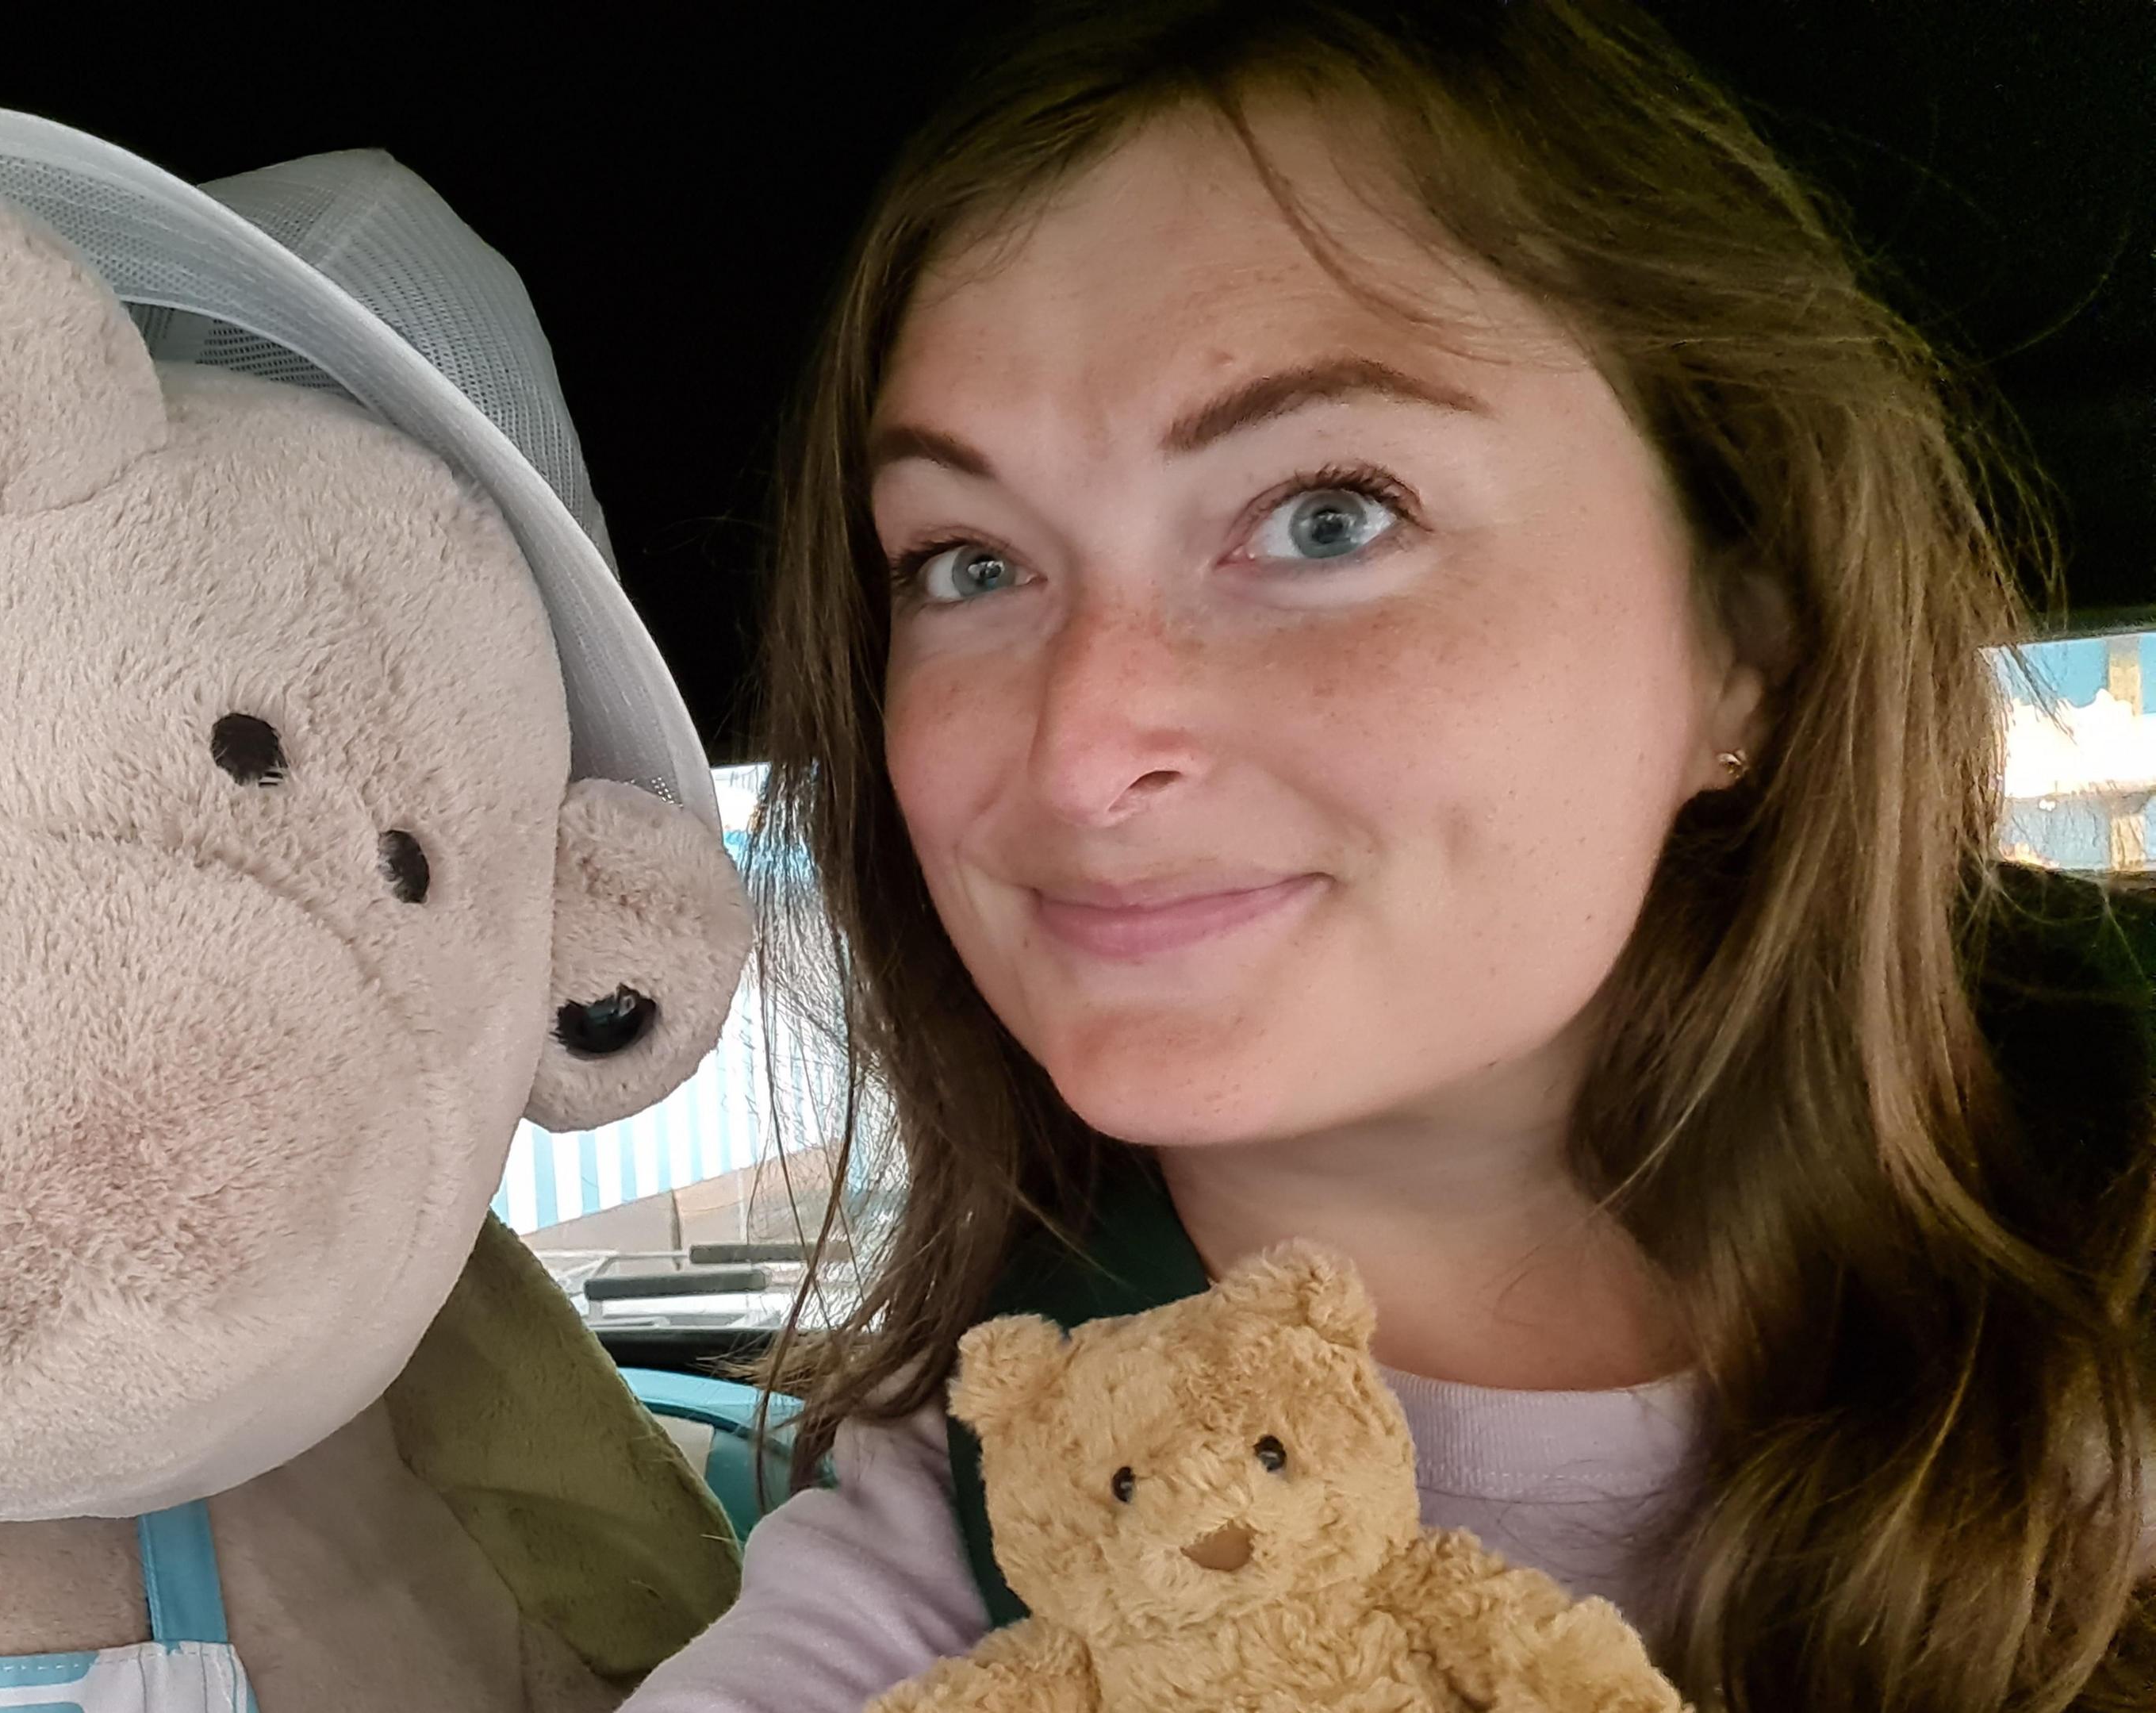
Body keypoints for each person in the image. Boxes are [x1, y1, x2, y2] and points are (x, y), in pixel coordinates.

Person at [623, 2, 2155, 1709]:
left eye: (1328, 516)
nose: (1081, 745)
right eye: (970, 563)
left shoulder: (2111, 1286)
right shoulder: (965, 1551)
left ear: (1744, 644)